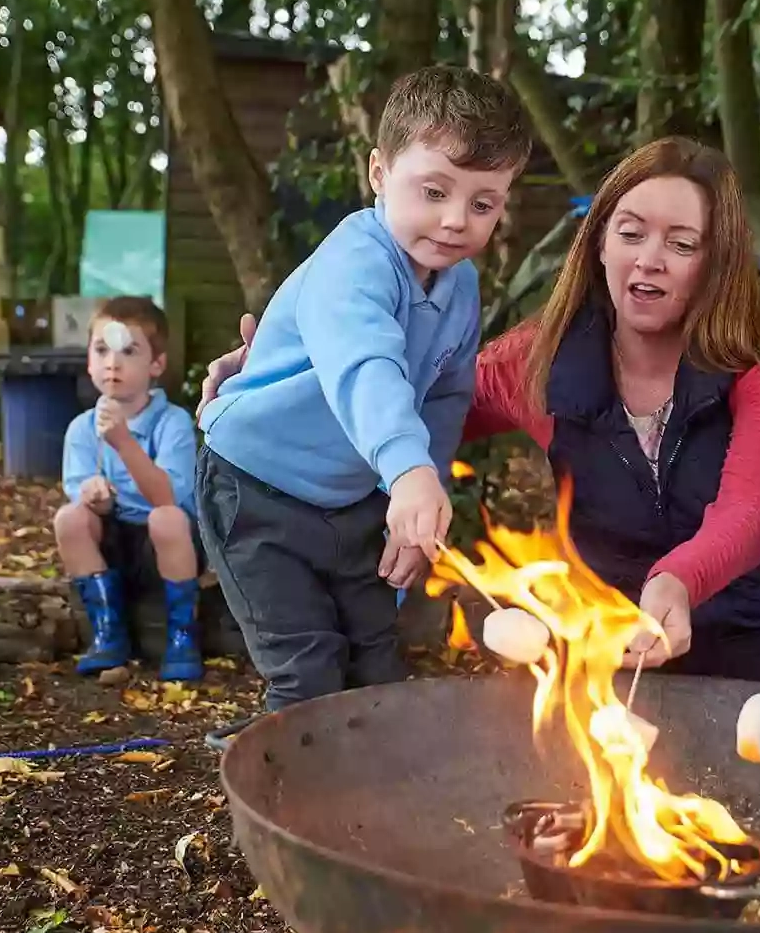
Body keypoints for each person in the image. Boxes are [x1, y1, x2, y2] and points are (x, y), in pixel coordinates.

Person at [201, 137, 760, 696]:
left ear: (717, 265)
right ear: (598, 244)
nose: (650, 259)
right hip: (616, 657)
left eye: (682, 244)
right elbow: (397, 402)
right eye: (631, 233)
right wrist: (274, 382)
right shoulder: (538, 361)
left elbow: (745, 513)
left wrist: (675, 580)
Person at [196, 65, 534, 714]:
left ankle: (371, 802)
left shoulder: (458, 285)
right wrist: (406, 471)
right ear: (379, 173)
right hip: (255, 487)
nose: (456, 220)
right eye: (434, 191)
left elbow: (442, 397)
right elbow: (365, 369)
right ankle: (290, 803)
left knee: (378, 663)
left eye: (483, 203)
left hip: (350, 498)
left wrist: (415, 502)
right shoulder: (355, 262)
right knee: (308, 670)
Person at [55, 297, 203, 681]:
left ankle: (182, 634)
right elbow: (82, 498)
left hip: (166, 549)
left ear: (156, 364)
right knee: (70, 518)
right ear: (88, 361)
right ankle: (108, 631)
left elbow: (168, 498)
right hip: (113, 544)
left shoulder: (172, 423)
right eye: (101, 350)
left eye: (128, 351)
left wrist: (124, 442)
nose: (112, 362)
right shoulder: (81, 429)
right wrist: (93, 496)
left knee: (167, 518)